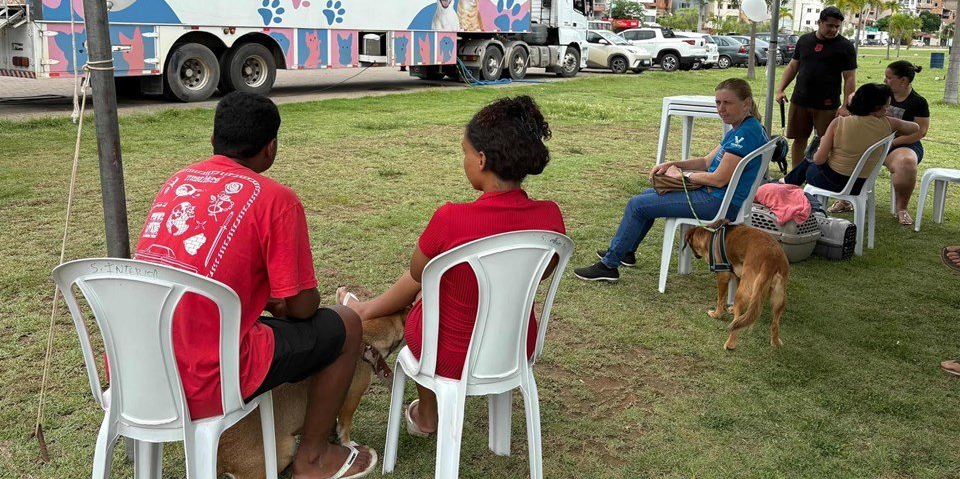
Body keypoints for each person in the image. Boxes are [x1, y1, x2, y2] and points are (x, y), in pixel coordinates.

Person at [135, 92, 375, 479]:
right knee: (346, 323)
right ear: (271, 148)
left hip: (138, 363)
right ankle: (312, 457)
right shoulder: (277, 200)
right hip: (208, 373)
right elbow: (301, 307)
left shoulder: (176, 181)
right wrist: (279, 301)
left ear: (213, 141)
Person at [336, 95, 564, 436]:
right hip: (516, 344)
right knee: (440, 282)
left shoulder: (451, 219)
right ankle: (366, 310)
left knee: (426, 291)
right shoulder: (550, 218)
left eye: (465, 152)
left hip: (448, 352)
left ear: (482, 160)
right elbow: (541, 273)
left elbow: (416, 273)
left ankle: (427, 415)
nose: (464, 160)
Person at [574, 78, 768, 283]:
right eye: (718, 102)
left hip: (717, 203)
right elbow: (705, 162)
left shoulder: (744, 135)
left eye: (727, 103)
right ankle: (626, 252)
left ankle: (609, 265)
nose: (721, 108)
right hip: (717, 197)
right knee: (647, 196)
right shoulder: (744, 127)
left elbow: (719, 179)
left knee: (637, 205)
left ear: (746, 103)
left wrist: (682, 175)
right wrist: (671, 164)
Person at [784, 83, 919, 214]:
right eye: (886, 107)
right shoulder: (888, 124)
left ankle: (787, 184)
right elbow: (915, 127)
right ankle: (787, 182)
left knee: (810, 160)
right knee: (811, 162)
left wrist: (819, 150)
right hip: (861, 184)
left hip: (833, 181)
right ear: (877, 108)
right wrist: (889, 119)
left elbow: (819, 160)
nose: (887, 110)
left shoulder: (839, 122)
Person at [832, 61, 930, 224]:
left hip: (903, 144)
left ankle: (902, 209)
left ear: (903, 81)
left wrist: (893, 142)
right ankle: (846, 199)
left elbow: (920, 131)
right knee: (852, 154)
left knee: (906, 162)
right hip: (874, 141)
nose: (885, 81)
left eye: (889, 77)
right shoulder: (879, 95)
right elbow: (856, 103)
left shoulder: (918, 102)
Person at [775, 6, 857, 169]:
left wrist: (845, 106)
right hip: (800, 100)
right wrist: (780, 89)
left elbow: (849, 78)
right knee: (799, 139)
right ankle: (796, 176)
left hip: (827, 104)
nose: (833, 30)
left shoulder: (845, 46)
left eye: (837, 26)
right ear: (819, 23)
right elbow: (793, 67)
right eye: (830, 25)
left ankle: (818, 177)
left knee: (825, 142)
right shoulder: (804, 40)